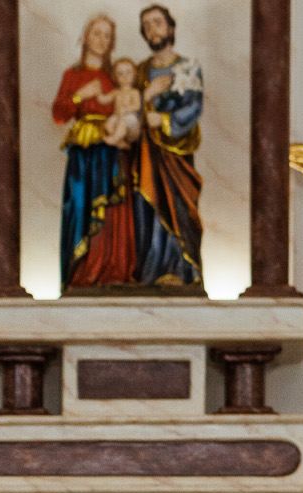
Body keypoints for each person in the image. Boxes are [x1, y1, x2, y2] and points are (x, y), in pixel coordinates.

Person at [53, 14, 136, 290]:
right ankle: (82, 273)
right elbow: (59, 115)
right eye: (97, 33)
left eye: (107, 35)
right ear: (85, 36)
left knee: (113, 209)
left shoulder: (115, 77)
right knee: (81, 205)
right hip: (85, 152)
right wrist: (81, 95)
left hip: (113, 150)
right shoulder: (73, 75)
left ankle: (114, 270)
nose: (101, 40)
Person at [134, 4, 204, 289]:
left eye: (157, 22)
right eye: (147, 25)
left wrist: (162, 119)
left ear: (171, 28)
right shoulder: (139, 71)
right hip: (144, 155)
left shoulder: (188, 67)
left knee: (177, 207)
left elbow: (193, 108)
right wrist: (145, 97)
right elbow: (123, 108)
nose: (153, 29)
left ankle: (181, 269)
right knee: (145, 210)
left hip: (177, 154)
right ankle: (149, 271)